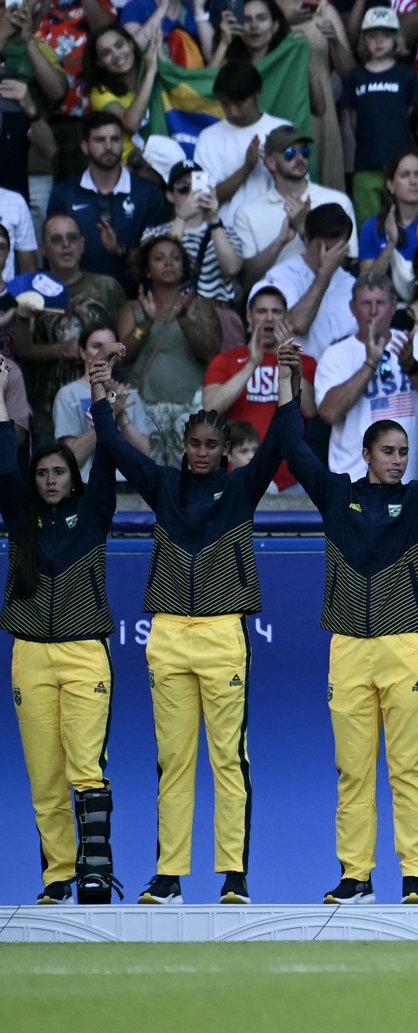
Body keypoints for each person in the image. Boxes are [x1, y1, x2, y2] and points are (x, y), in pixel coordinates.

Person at [94, 382, 286, 902]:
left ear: (225, 451)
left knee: (229, 758)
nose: (201, 453)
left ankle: (234, 875)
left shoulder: (242, 488)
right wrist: (99, 395)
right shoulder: (162, 486)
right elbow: (112, 448)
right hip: (169, 636)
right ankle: (169, 875)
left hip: (224, 634)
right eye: (194, 444)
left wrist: (287, 381)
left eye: (210, 445)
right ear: (185, 446)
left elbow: (282, 437)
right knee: (173, 760)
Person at [269, 387, 418, 904]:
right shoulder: (335, 495)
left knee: (406, 769)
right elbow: (293, 445)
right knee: (353, 771)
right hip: (348, 646)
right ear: (366, 455)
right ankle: (357, 877)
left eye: (403, 453)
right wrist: (289, 383)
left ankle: (415, 876)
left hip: (404, 646)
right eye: (388, 452)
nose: (397, 461)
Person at [4, 392, 127, 902]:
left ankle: (94, 872)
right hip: (30, 655)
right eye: (42, 474)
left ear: (73, 476)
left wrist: (102, 401)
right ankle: (57, 879)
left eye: (59, 472)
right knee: (45, 778)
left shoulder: (95, 512)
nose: (50, 480)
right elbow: (3, 464)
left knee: (84, 768)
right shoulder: (19, 519)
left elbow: (111, 457)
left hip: (84, 655)